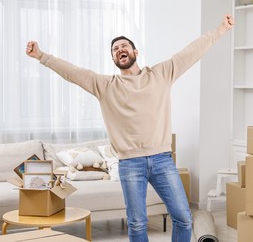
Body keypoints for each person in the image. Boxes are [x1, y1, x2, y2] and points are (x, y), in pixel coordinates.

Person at [26, 14, 234, 242]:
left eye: (124, 46)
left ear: (135, 53)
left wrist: (221, 29)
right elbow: (73, 72)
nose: (120, 49)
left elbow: (191, 52)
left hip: (162, 159)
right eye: (115, 49)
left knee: (183, 217)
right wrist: (41, 56)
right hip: (130, 164)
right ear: (114, 58)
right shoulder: (105, 86)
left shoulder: (161, 74)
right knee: (136, 224)